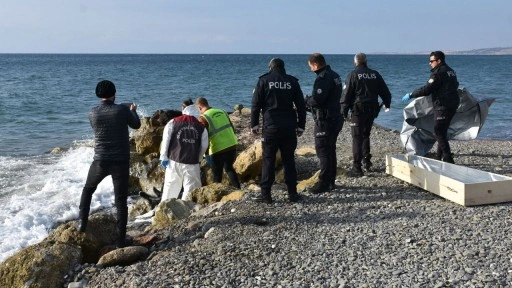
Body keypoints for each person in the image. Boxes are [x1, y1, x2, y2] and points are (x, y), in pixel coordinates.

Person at [78, 80, 141, 248]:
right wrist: (133, 111)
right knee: (120, 200)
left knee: (88, 189)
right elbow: (137, 125)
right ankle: (121, 240)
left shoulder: (92, 113)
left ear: (98, 95)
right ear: (114, 92)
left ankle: (81, 222)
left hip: (100, 160)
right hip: (120, 161)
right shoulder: (122, 110)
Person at [250, 58, 307, 203]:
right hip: (289, 126)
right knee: (289, 160)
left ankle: (266, 195)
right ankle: (293, 194)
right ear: (283, 67)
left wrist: (254, 124)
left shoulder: (264, 81)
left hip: (271, 127)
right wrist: (301, 125)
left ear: (270, 68)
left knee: (269, 160)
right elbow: (301, 105)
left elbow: (256, 105)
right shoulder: (292, 82)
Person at [402, 51, 459, 164]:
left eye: (432, 61)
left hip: (443, 105)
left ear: (439, 61)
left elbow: (427, 89)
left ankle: (448, 159)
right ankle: (439, 157)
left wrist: (411, 94)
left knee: (438, 131)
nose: (430, 63)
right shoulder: (451, 71)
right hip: (453, 103)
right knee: (442, 131)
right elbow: (456, 84)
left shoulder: (438, 73)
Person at [341, 53, 392, 176]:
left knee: (357, 137)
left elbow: (346, 94)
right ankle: (367, 162)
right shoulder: (375, 74)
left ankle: (357, 168)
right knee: (365, 134)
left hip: (358, 110)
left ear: (356, 62)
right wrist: (387, 104)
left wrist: (343, 111)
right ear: (366, 61)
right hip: (372, 110)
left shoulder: (353, 75)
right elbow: (385, 92)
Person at [305, 53, 344, 194]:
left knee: (323, 151)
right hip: (335, 117)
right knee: (330, 149)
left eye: (310, 66)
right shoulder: (335, 75)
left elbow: (318, 100)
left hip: (326, 120)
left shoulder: (323, 78)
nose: (311, 69)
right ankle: (331, 180)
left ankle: (323, 182)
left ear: (315, 64)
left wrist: (306, 101)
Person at [159, 98, 209, 201]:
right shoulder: (201, 127)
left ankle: (165, 210)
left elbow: (166, 140)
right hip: (192, 163)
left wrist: (164, 156)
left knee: (170, 188)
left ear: (184, 111)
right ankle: (187, 212)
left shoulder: (173, 122)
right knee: (191, 190)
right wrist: (198, 159)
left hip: (174, 160)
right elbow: (204, 146)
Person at [196, 97, 241, 189]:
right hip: (231, 144)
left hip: (217, 148)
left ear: (199, 107)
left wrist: (203, 153)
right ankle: (239, 189)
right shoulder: (222, 111)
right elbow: (231, 127)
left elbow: (203, 137)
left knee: (217, 174)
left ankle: (217, 195)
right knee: (229, 169)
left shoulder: (203, 118)